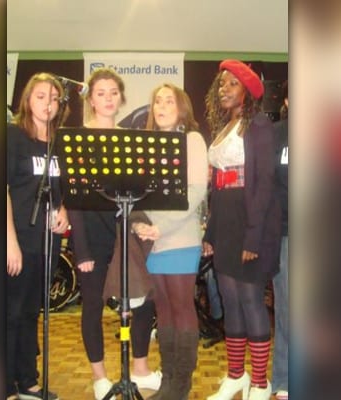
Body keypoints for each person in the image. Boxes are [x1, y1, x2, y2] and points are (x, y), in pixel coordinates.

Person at [67, 67, 160, 400]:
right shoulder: (78, 139)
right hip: (92, 235)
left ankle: (140, 369)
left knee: (144, 302)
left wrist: (139, 224)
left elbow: (135, 194)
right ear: (91, 100)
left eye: (113, 92)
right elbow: (73, 200)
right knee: (93, 305)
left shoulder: (130, 139)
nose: (108, 98)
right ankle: (99, 378)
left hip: (124, 235)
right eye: (101, 93)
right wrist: (82, 250)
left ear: (121, 98)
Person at [202, 60, 283, 400]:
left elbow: (264, 183)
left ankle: (261, 382)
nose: (224, 88)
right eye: (221, 83)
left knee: (250, 300)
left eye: (232, 83)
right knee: (230, 301)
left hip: (251, 223)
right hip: (225, 221)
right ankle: (236, 375)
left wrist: (253, 236)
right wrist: (210, 234)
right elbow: (218, 188)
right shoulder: (225, 126)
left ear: (247, 91)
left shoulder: (259, 124)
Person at [129, 83, 208, 400]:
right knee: (162, 311)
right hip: (154, 241)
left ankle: (181, 386)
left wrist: (160, 227)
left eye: (168, 101)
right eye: (157, 101)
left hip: (180, 238)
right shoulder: (149, 145)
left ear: (182, 107)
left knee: (180, 308)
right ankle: (169, 381)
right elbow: (140, 193)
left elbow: (196, 191)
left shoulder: (192, 140)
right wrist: (140, 224)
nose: (161, 106)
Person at [6, 72, 70, 400]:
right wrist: (9, 242)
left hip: (47, 242)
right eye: (41, 96)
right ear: (28, 100)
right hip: (17, 237)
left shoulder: (60, 143)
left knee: (32, 311)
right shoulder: (13, 136)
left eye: (54, 98)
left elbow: (64, 191)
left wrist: (64, 211)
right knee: (10, 312)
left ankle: (27, 380)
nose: (48, 103)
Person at [270, 81, 290, 400]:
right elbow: (267, 187)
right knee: (287, 308)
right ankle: (284, 379)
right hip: (286, 233)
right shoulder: (276, 135)